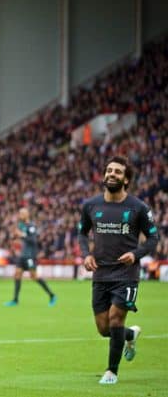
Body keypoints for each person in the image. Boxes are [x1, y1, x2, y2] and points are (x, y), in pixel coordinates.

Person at [78, 156, 159, 384]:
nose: (112, 174)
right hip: (101, 274)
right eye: (109, 170)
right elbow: (81, 233)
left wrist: (136, 254)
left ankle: (111, 371)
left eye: (118, 172)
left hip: (126, 275)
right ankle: (130, 335)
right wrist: (86, 254)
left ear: (126, 180)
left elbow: (154, 237)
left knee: (115, 319)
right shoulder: (91, 205)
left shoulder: (138, 208)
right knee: (104, 329)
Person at [4, 207, 57, 307]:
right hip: (23, 254)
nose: (20, 215)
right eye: (19, 213)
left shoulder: (31, 226)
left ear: (27, 215)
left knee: (34, 276)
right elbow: (17, 236)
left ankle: (52, 295)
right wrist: (14, 235)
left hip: (30, 255)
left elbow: (33, 240)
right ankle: (15, 300)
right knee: (17, 274)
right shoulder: (21, 225)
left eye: (22, 213)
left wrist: (21, 234)